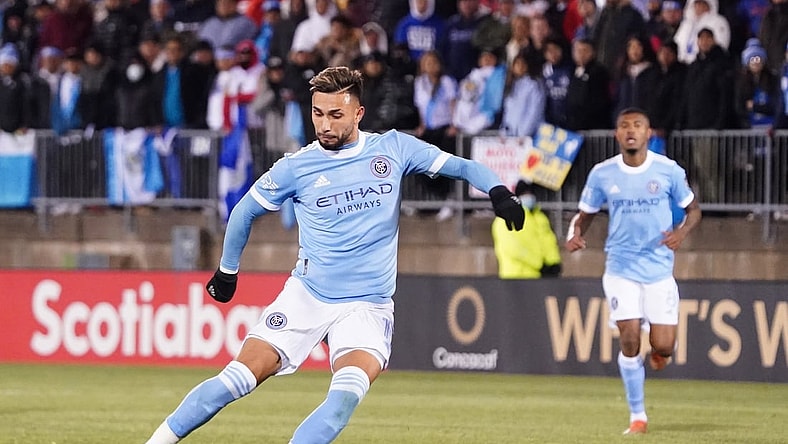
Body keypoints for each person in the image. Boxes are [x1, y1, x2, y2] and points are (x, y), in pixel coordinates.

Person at [144, 66, 525, 444]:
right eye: (317, 113)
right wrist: (228, 271)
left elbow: (460, 166)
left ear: (358, 113)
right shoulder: (298, 166)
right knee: (236, 379)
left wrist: (498, 191)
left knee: (341, 402)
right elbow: (245, 210)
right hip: (307, 296)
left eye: (335, 115)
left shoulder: (392, 148)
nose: (324, 125)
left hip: (367, 305)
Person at [565, 107, 701, 435]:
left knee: (664, 345)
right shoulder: (602, 173)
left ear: (648, 133)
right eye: (625, 125)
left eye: (637, 125)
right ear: (617, 134)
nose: (631, 131)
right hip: (621, 268)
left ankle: (663, 352)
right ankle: (637, 416)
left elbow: (693, 210)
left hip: (658, 270)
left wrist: (681, 232)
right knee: (628, 337)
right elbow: (585, 212)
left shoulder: (668, 170)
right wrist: (575, 232)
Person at [492, 181, 561, 279]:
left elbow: (548, 242)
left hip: (538, 278)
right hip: (515, 277)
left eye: (531, 193)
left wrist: (553, 262)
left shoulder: (540, 217)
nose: (529, 197)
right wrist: (540, 265)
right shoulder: (506, 218)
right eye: (525, 194)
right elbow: (512, 248)